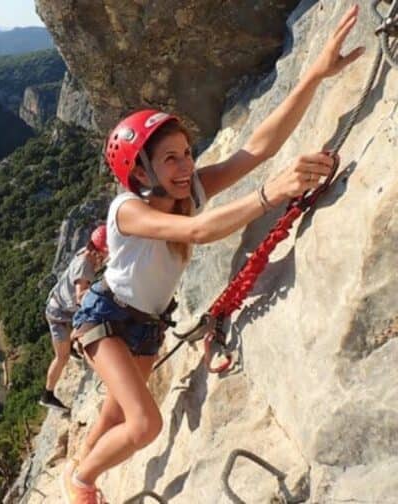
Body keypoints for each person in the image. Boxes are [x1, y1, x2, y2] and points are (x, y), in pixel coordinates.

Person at [60, 6, 364, 503]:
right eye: (170, 159)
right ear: (141, 174)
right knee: (143, 425)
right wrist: (271, 194)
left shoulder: (187, 190)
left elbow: (257, 149)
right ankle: (82, 481)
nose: (186, 166)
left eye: (186, 152)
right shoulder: (126, 211)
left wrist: (313, 74)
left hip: (144, 323)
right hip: (107, 319)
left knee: (116, 413)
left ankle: (83, 474)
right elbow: (199, 232)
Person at [40, 225, 110, 412]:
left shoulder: (86, 252)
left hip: (62, 306)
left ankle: (69, 346)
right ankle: (47, 395)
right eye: (106, 252)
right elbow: (80, 296)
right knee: (61, 357)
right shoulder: (85, 266)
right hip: (58, 315)